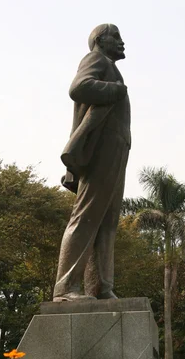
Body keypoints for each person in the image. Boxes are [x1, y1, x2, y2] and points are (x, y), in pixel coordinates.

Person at [53, 23, 131, 301]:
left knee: (107, 220)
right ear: (100, 39)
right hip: (101, 148)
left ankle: (101, 287)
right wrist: (115, 90)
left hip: (115, 148)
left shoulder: (110, 65)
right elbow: (79, 87)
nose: (123, 42)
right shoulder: (95, 59)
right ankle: (65, 288)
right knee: (86, 215)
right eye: (117, 36)